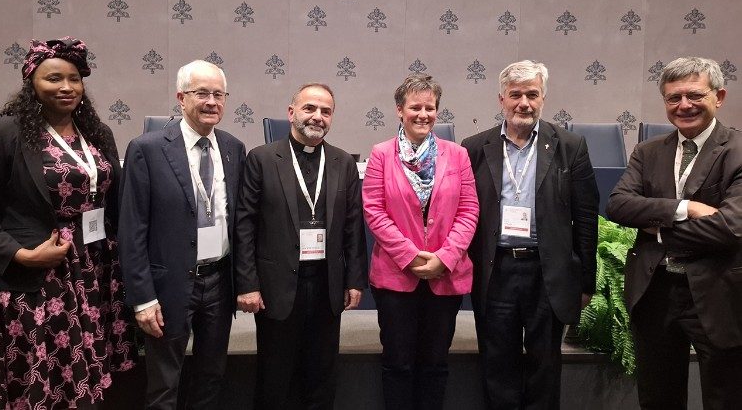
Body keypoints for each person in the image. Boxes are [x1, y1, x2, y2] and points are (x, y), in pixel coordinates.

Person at [0, 37, 135, 408]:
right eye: (53, 78)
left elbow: (112, 200)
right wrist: (20, 255)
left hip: (94, 269)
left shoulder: (97, 133)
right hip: (38, 273)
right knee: (44, 376)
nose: (66, 87)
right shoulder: (4, 131)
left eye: (74, 78)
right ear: (31, 84)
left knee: (86, 375)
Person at [461, 60, 599, 410]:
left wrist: (585, 283)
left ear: (543, 99)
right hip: (497, 271)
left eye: (532, 94)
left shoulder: (570, 146)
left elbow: (585, 219)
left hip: (546, 271)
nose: (524, 102)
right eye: (515, 95)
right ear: (501, 100)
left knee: (545, 364)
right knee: (497, 362)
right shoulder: (475, 147)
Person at [606, 57, 742, 409]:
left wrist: (656, 229)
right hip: (656, 292)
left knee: (726, 396)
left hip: (719, 293)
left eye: (694, 95)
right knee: (657, 397)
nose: (684, 105)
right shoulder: (648, 151)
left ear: (719, 96)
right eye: (673, 98)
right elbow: (619, 205)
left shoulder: (738, 151)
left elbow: (731, 227)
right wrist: (687, 209)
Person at [119, 60, 246, 409]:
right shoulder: (147, 149)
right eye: (201, 93)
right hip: (169, 283)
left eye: (219, 94)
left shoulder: (235, 149)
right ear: (181, 97)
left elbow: (239, 222)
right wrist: (142, 298)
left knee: (211, 376)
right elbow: (132, 231)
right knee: (164, 383)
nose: (211, 102)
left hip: (219, 280)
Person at [236, 83, 366, 409]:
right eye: (310, 108)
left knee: (321, 379)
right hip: (276, 286)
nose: (317, 117)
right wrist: (248, 283)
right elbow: (245, 226)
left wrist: (353, 279)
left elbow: (353, 227)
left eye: (325, 111)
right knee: (274, 379)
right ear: (291, 112)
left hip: (326, 286)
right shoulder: (262, 159)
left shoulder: (343, 163)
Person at [362, 74, 479, 409]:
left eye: (430, 107)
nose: (423, 114)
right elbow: (374, 210)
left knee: (435, 364)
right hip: (396, 278)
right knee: (397, 363)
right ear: (400, 110)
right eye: (415, 107)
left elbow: (469, 210)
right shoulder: (381, 154)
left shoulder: (457, 155)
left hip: (445, 275)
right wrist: (411, 257)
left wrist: (445, 257)